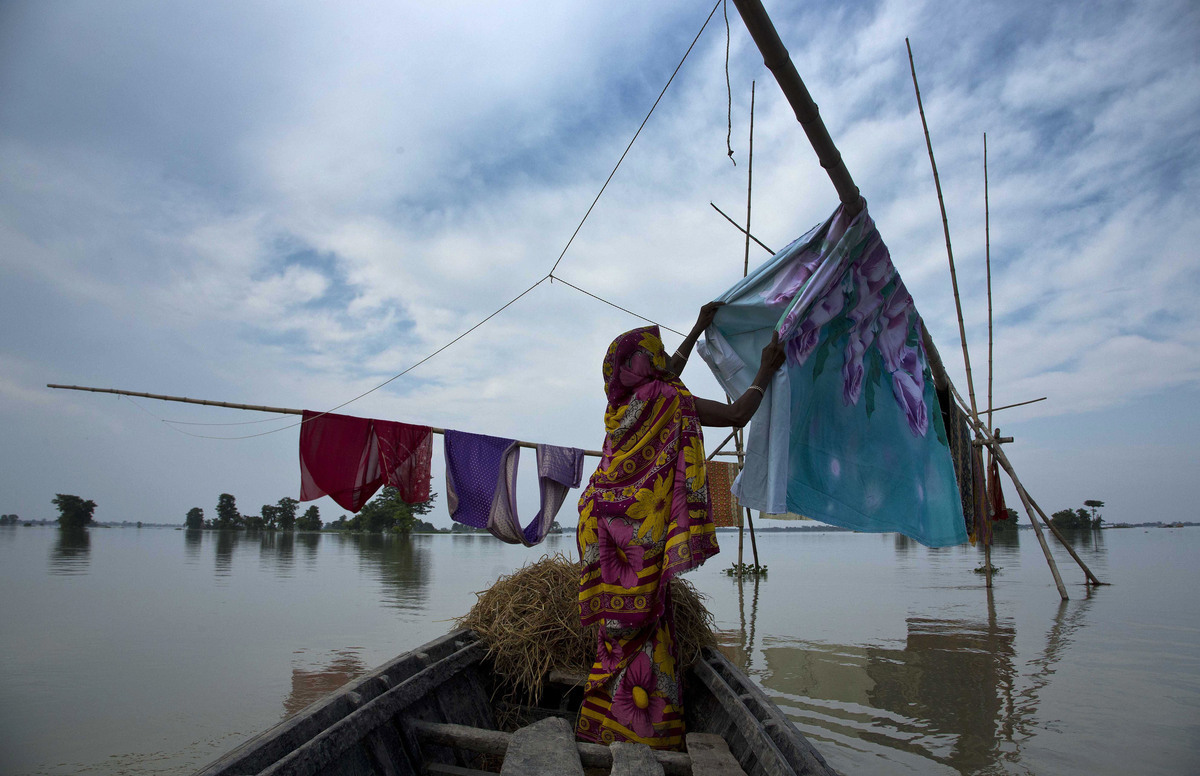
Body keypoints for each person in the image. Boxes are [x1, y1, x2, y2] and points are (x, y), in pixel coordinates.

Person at [575, 302, 786, 749]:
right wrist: (765, 369)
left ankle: (600, 724)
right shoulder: (666, 400)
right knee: (646, 625)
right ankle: (644, 732)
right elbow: (736, 415)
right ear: (644, 366)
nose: (662, 359)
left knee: (617, 630)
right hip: (633, 533)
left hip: (599, 524)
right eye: (655, 354)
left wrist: (698, 327)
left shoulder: (621, 405)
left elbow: (668, 371)